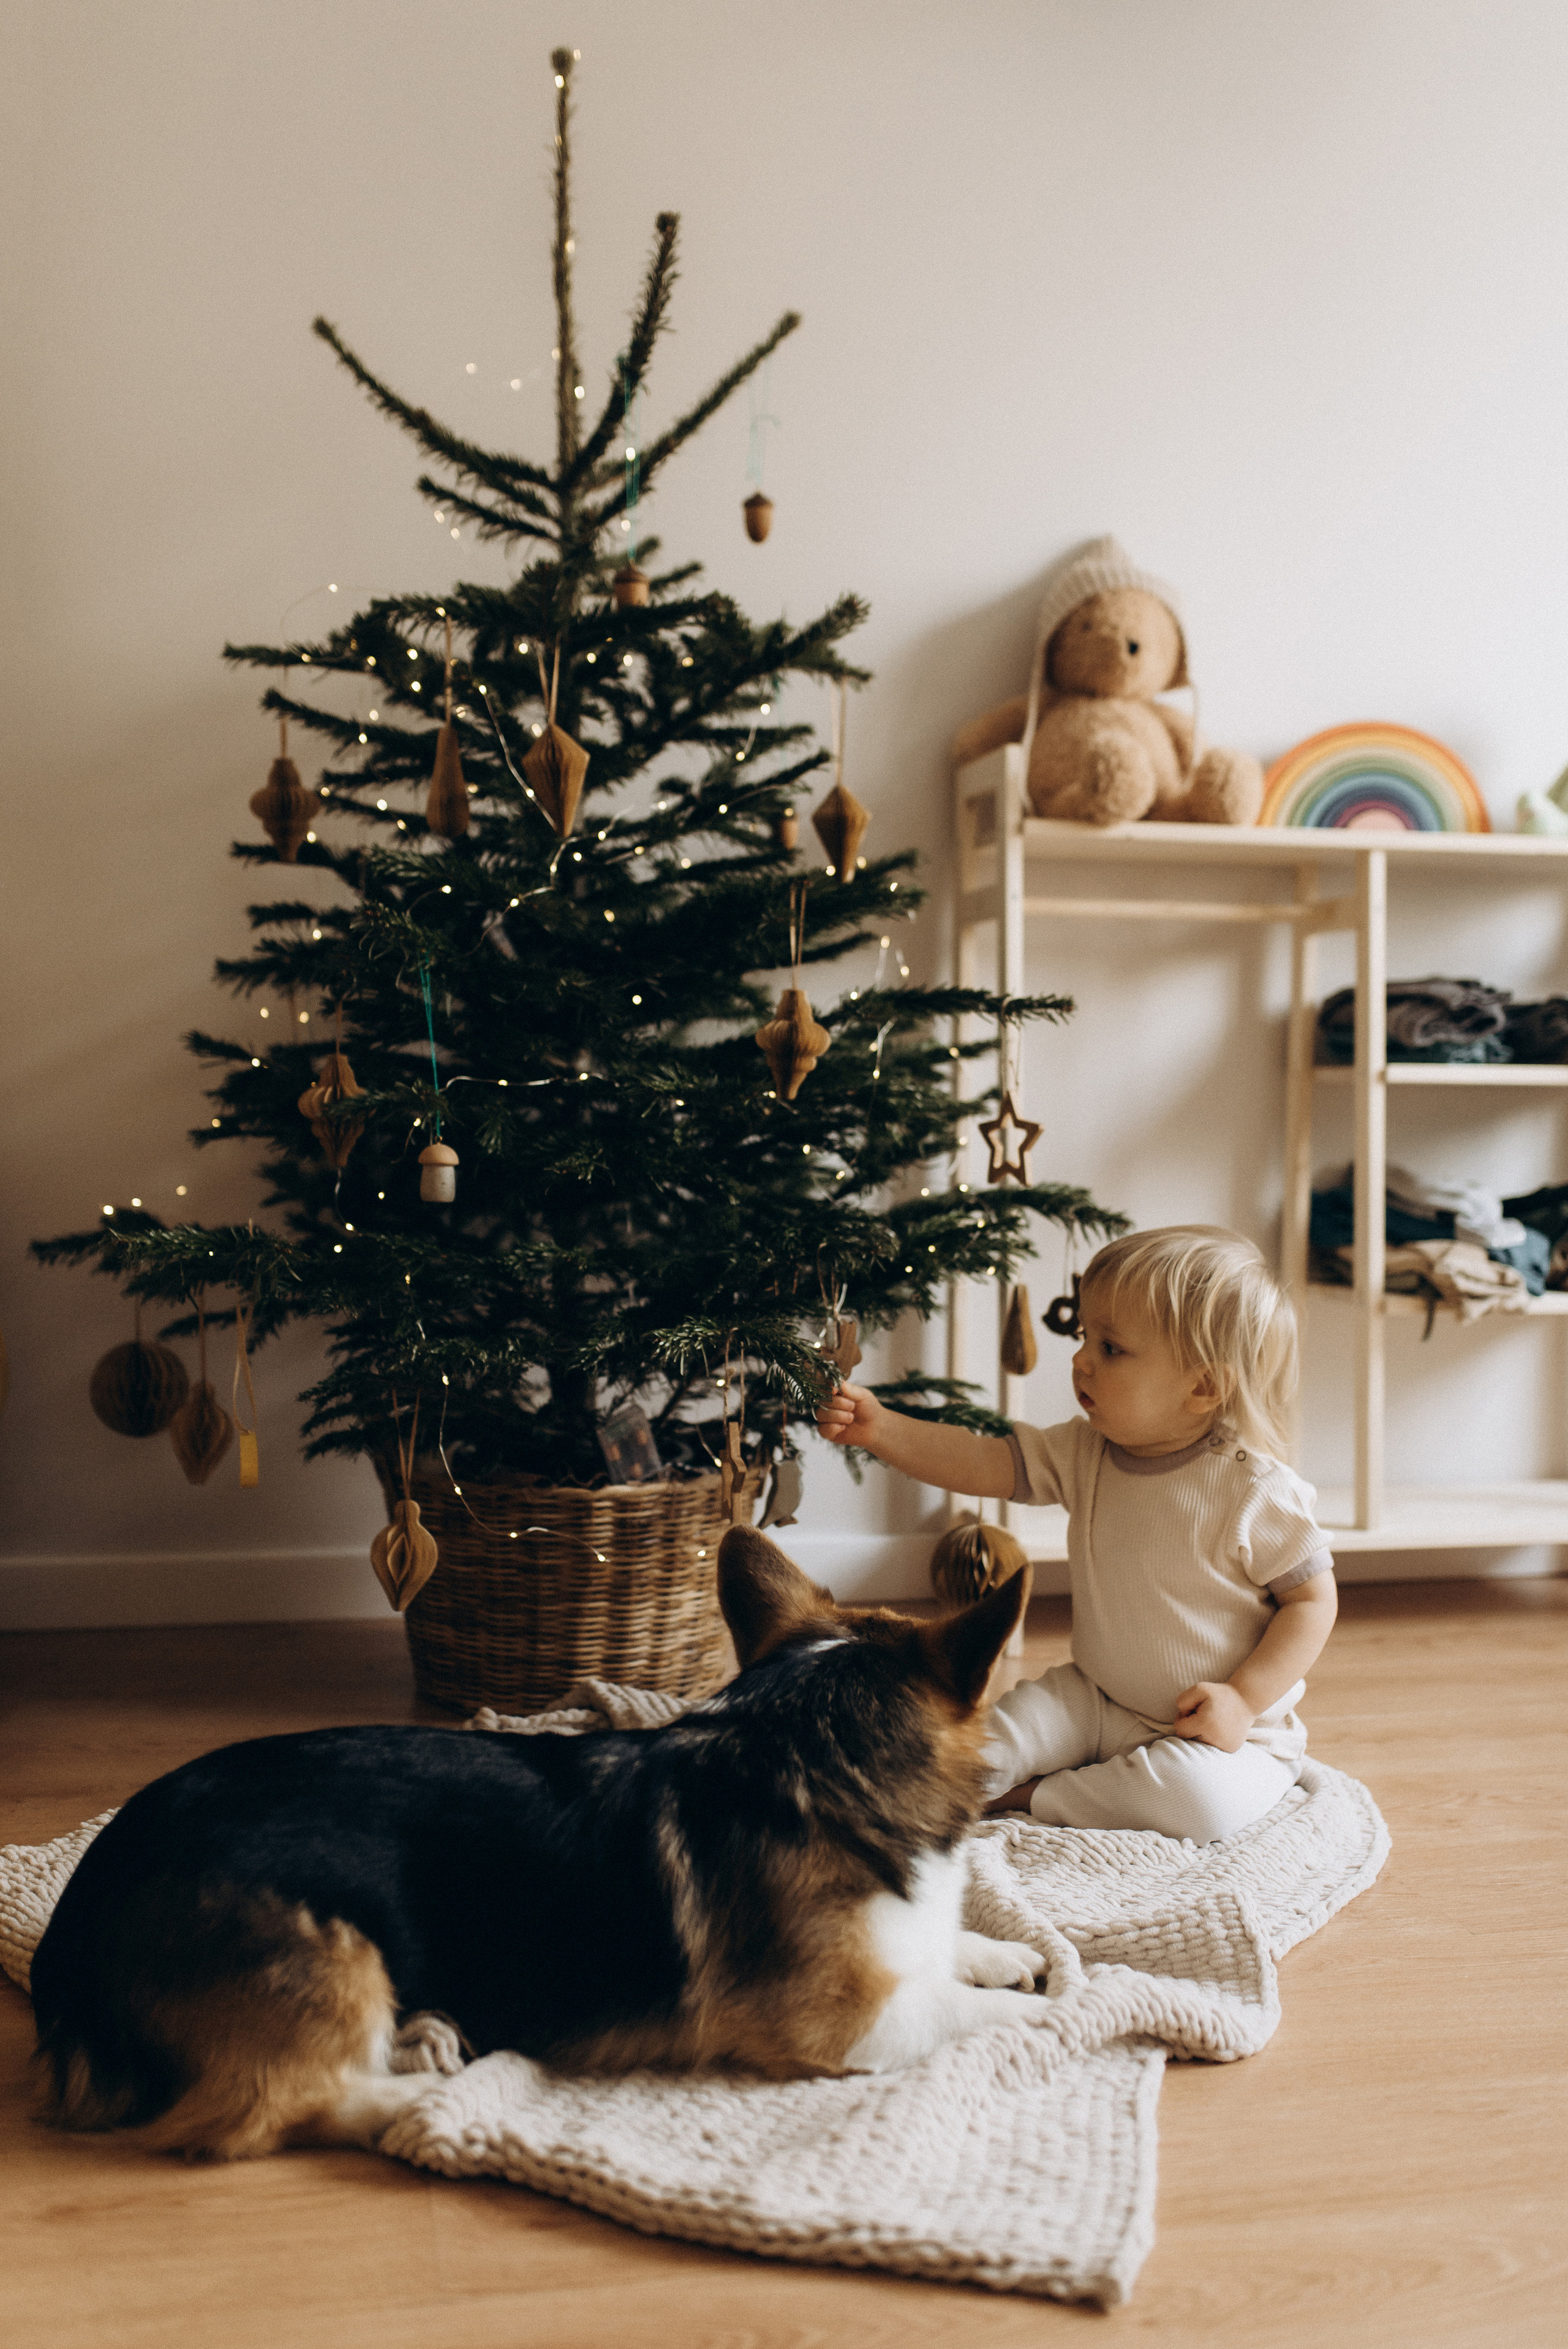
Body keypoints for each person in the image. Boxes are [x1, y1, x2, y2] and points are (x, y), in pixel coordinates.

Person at [815, 1226, 1338, 1842]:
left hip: (1223, 1733)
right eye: (1085, 1336)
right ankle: (902, 1789)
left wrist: (1245, 1701)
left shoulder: (1253, 1489)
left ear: (1202, 1387)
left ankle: (1036, 1797)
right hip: (1094, 1697)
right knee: (983, 1740)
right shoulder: (1085, 1451)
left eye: (1111, 1348)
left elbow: (1312, 1601)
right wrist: (883, 1429)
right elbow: (981, 1461)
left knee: (1198, 1805)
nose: (1080, 1359)